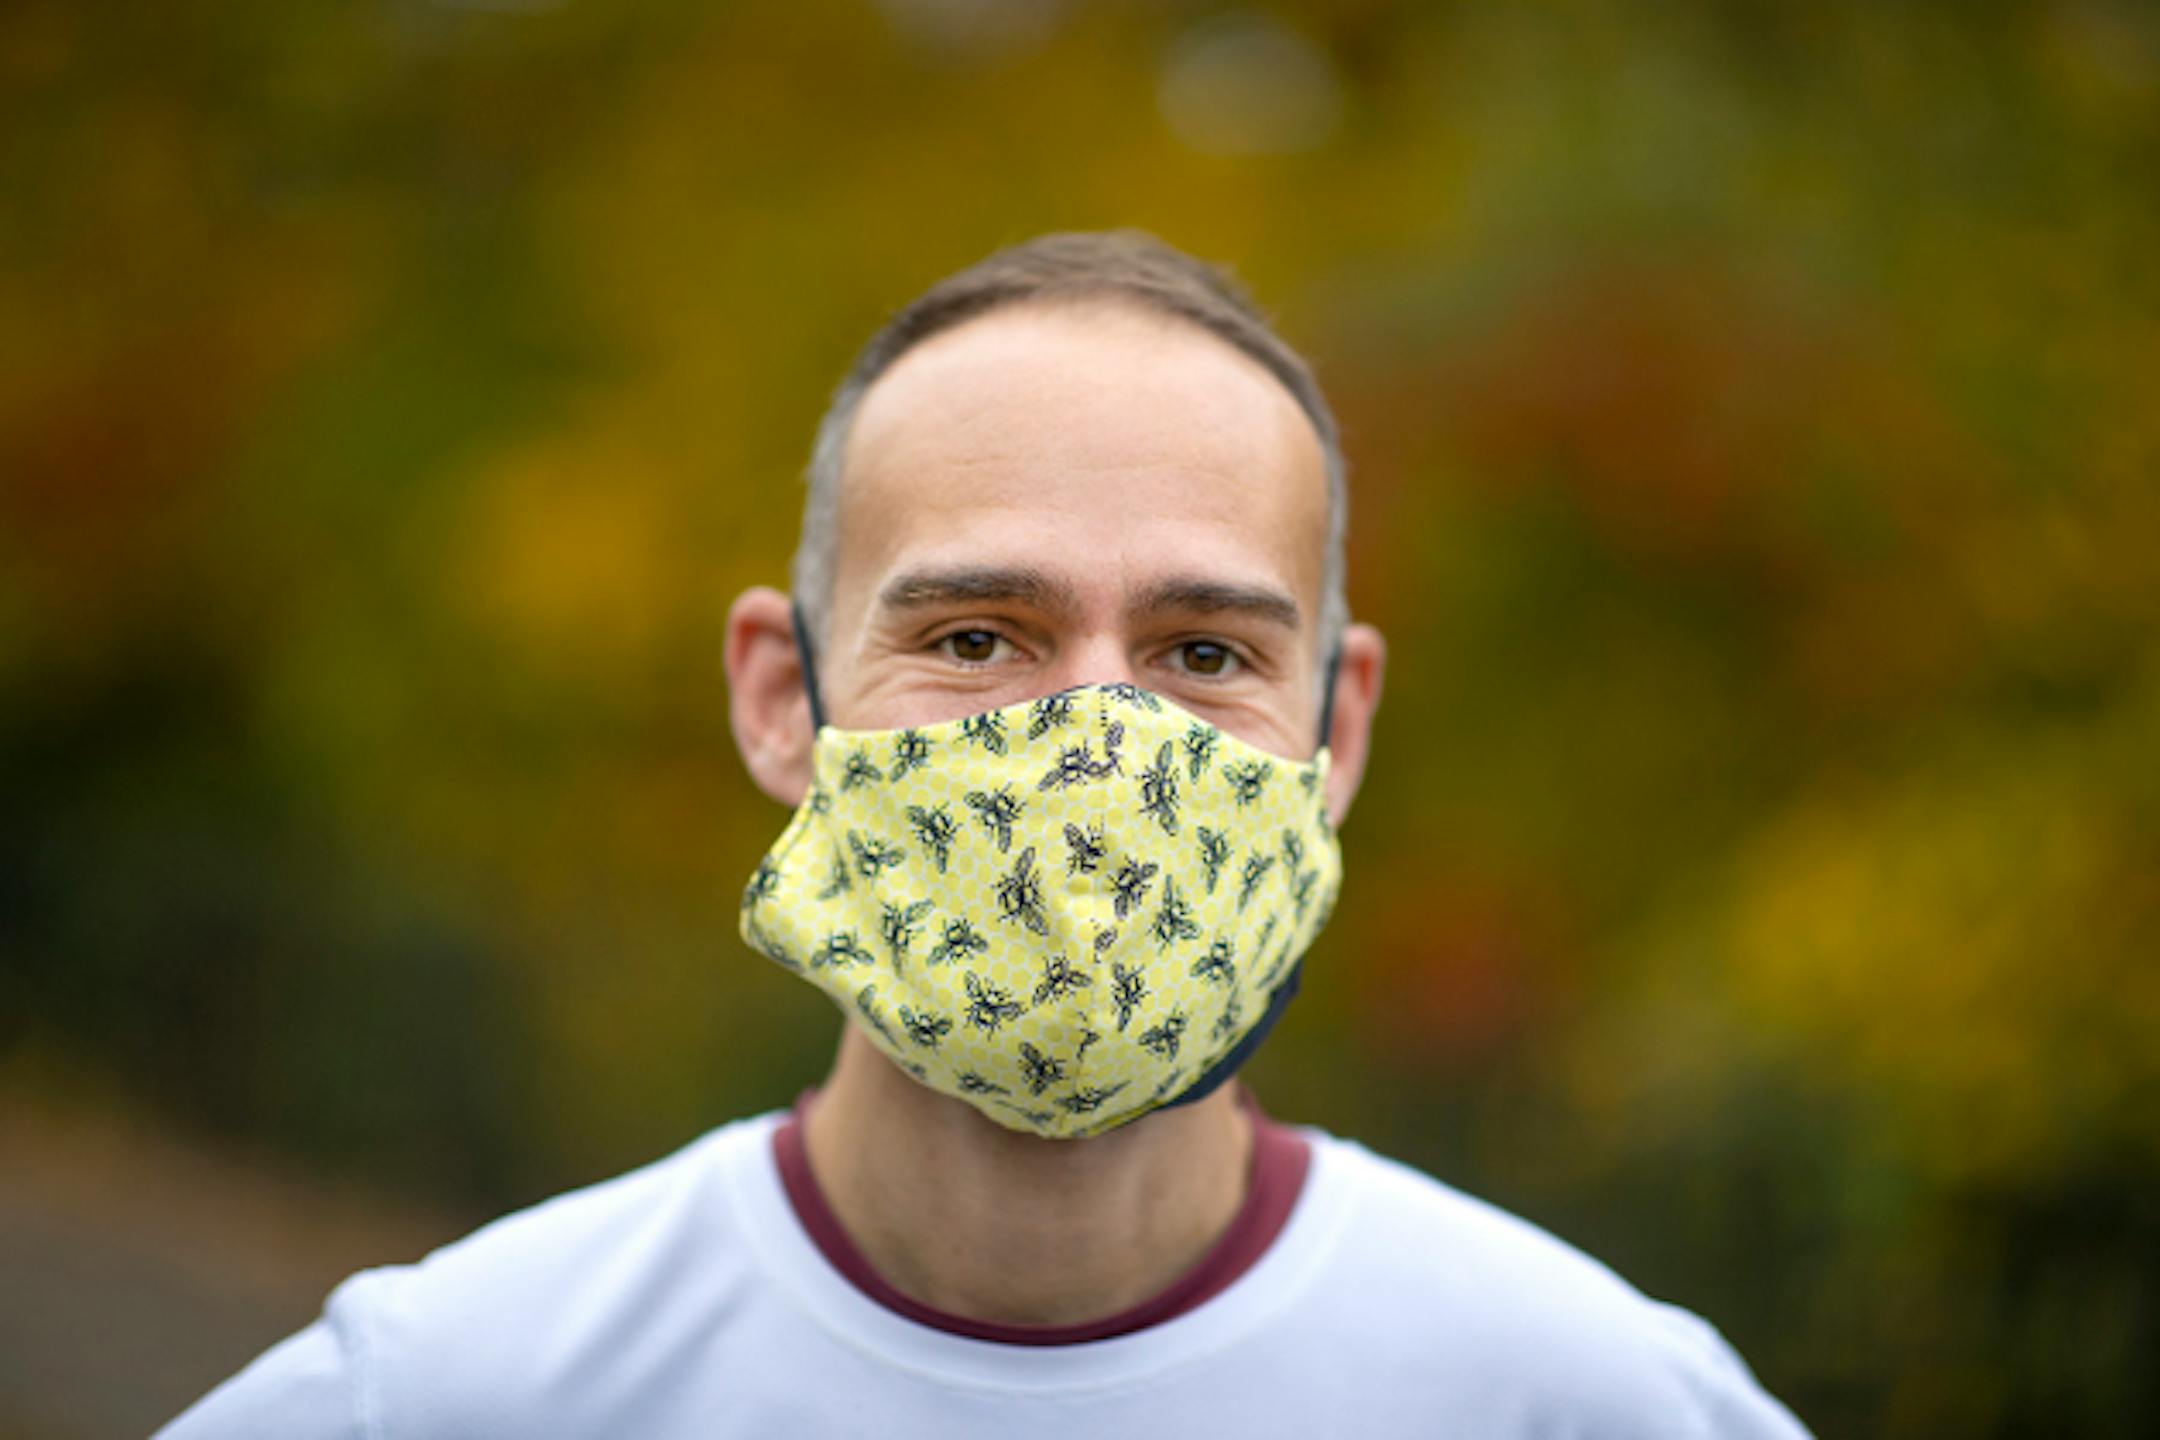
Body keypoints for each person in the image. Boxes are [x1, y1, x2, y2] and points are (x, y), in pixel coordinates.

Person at [159, 232, 1811, 1437]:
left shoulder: (1583, 1404)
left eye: (1203, 654)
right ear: (781, 697)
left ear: (1340, 730)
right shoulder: (445, 1399)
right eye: (974, 637)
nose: (1096, 744)